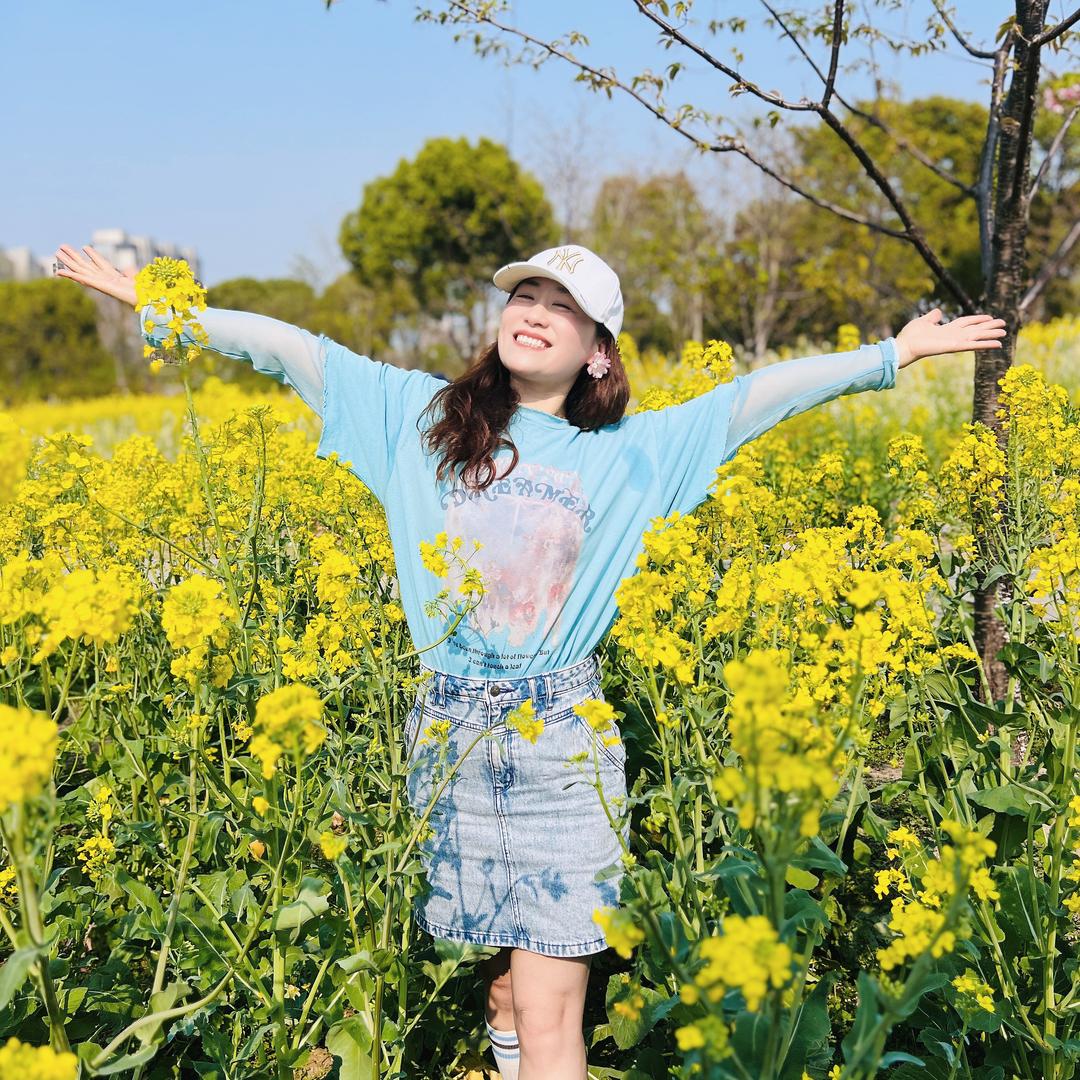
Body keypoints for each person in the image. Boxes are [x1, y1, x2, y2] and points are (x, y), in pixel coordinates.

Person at [53, 241, 1006, 1080]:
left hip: (561, 742)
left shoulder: (636, 453)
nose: (534, 313)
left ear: (598, 348)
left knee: (552, 1016)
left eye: (562, 306)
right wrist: (160, 304)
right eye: (523, 297)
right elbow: (288, 345)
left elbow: (761, 395)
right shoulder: (415, 417)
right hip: (450, 737)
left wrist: (895, 354)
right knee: (509, 997)